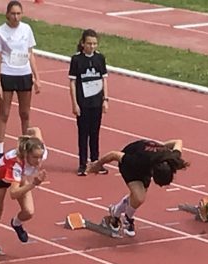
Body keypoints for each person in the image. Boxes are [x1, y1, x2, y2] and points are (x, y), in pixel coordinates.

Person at [88, 139, 189, 237]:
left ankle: (115, 212)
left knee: (137, 197)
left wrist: (160, 146)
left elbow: (178, 141)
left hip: (146, 164)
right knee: (139, 197)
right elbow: (114, 154)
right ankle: (128, 219)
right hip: (130, 165)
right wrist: (97, 165)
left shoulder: (173, 158)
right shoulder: (138, 160)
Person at [0, 127, 47, 253]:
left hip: (20, 177)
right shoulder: (15, 165)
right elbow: (13, 193)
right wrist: (34, 184)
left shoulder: (40, 150)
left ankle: (16, 223)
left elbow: (36, 130)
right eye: (35, 157)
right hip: (0, 178)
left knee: (28, 212)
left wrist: (28, 133)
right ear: (26, 155)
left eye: (40, 157)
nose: (38, 161)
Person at [0, 0, 41, 160]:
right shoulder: (0, 32)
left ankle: (26, 148)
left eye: (18, 13)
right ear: (7, 14)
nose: (16, 17)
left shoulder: (27, 29)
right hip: (7, 73)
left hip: (24, 74)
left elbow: (31, 54)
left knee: (25, 113)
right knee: (4, 113)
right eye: (13, 13)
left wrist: (37, 77)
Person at [68, 29, 109, 176]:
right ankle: (83, 164)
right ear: (82, 43)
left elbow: (104, 80)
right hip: (83, 103)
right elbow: (72, 83)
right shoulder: (76, 60)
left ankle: (96, 162)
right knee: (83, 134)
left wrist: (105, 99)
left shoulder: (100, 58)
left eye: (94, 44)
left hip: (96, 102)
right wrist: (74, 103)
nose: (92, 46)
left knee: (95, 133)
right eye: (89, 43)